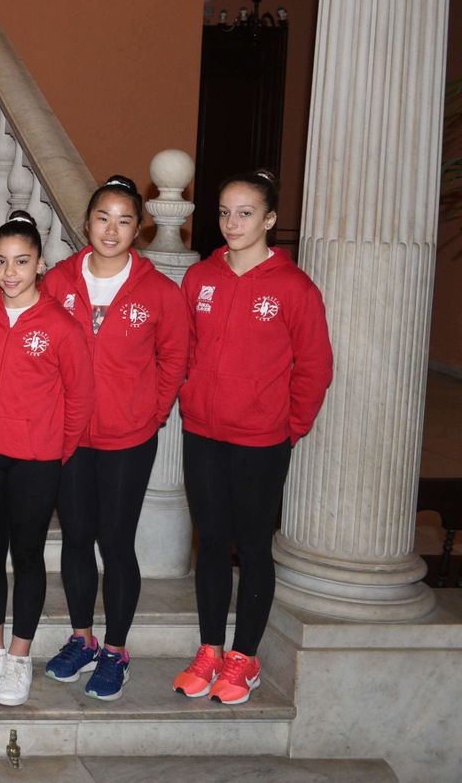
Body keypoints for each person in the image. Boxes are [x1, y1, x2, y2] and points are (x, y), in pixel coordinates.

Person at [172, 169, 331, 706]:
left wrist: (289, 427)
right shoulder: (200, 280)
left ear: (270, 219)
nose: (232, 223)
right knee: (211, 542)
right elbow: (187, 350)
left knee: (252, 545)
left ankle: (245, 657)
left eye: (245, 213)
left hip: (261, 439)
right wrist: (192, 395)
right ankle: (211, 649)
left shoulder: (294, 288)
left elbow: (314, 366)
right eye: (223, 212)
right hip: (204, 433)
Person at [39, 176, 190, 702]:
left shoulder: (159, 292)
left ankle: (117, 650)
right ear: (87, 223)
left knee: (115, 542)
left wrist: (151, 412)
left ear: (138, 228)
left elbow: (174, 358)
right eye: (103, 217)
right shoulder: (58, 282)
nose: (112, 229)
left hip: (128, 438)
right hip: (68, 434)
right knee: (76, 537)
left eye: (125, 220)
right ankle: (81, 637)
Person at [0, 210, 93, 708]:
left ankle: (19, 656)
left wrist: (55, 450)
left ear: (40, 263)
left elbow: (80, 397)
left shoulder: (61, 325)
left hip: (37, 460)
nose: (10, 272)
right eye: (0, 262)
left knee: (28, 555)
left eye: (21, 261)